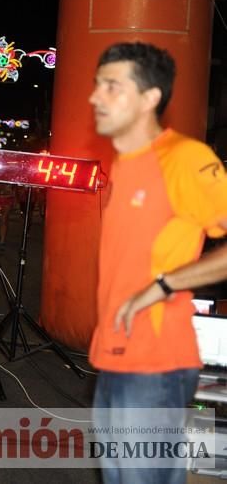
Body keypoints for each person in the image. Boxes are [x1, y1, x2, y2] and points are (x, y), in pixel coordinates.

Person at [89, 42, 227, 484]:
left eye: (112, 86)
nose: (95, 97)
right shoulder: (123, 165)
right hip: (112, 355)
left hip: (155, 360)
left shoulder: (186, 158)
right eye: (97, 85)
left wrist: (163, 285)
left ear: (150, 98)